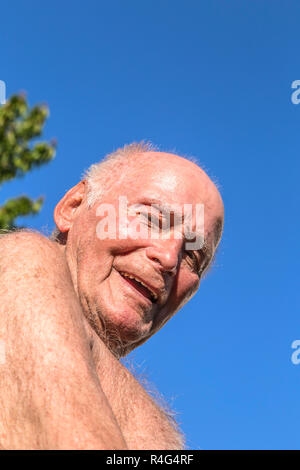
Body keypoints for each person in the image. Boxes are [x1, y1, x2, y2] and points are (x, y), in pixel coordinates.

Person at [0, 142, 224, 449]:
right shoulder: (22, 260)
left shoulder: (139, 411)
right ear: (73, 207)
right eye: (152, 219)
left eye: (193, 258)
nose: (170, 258)